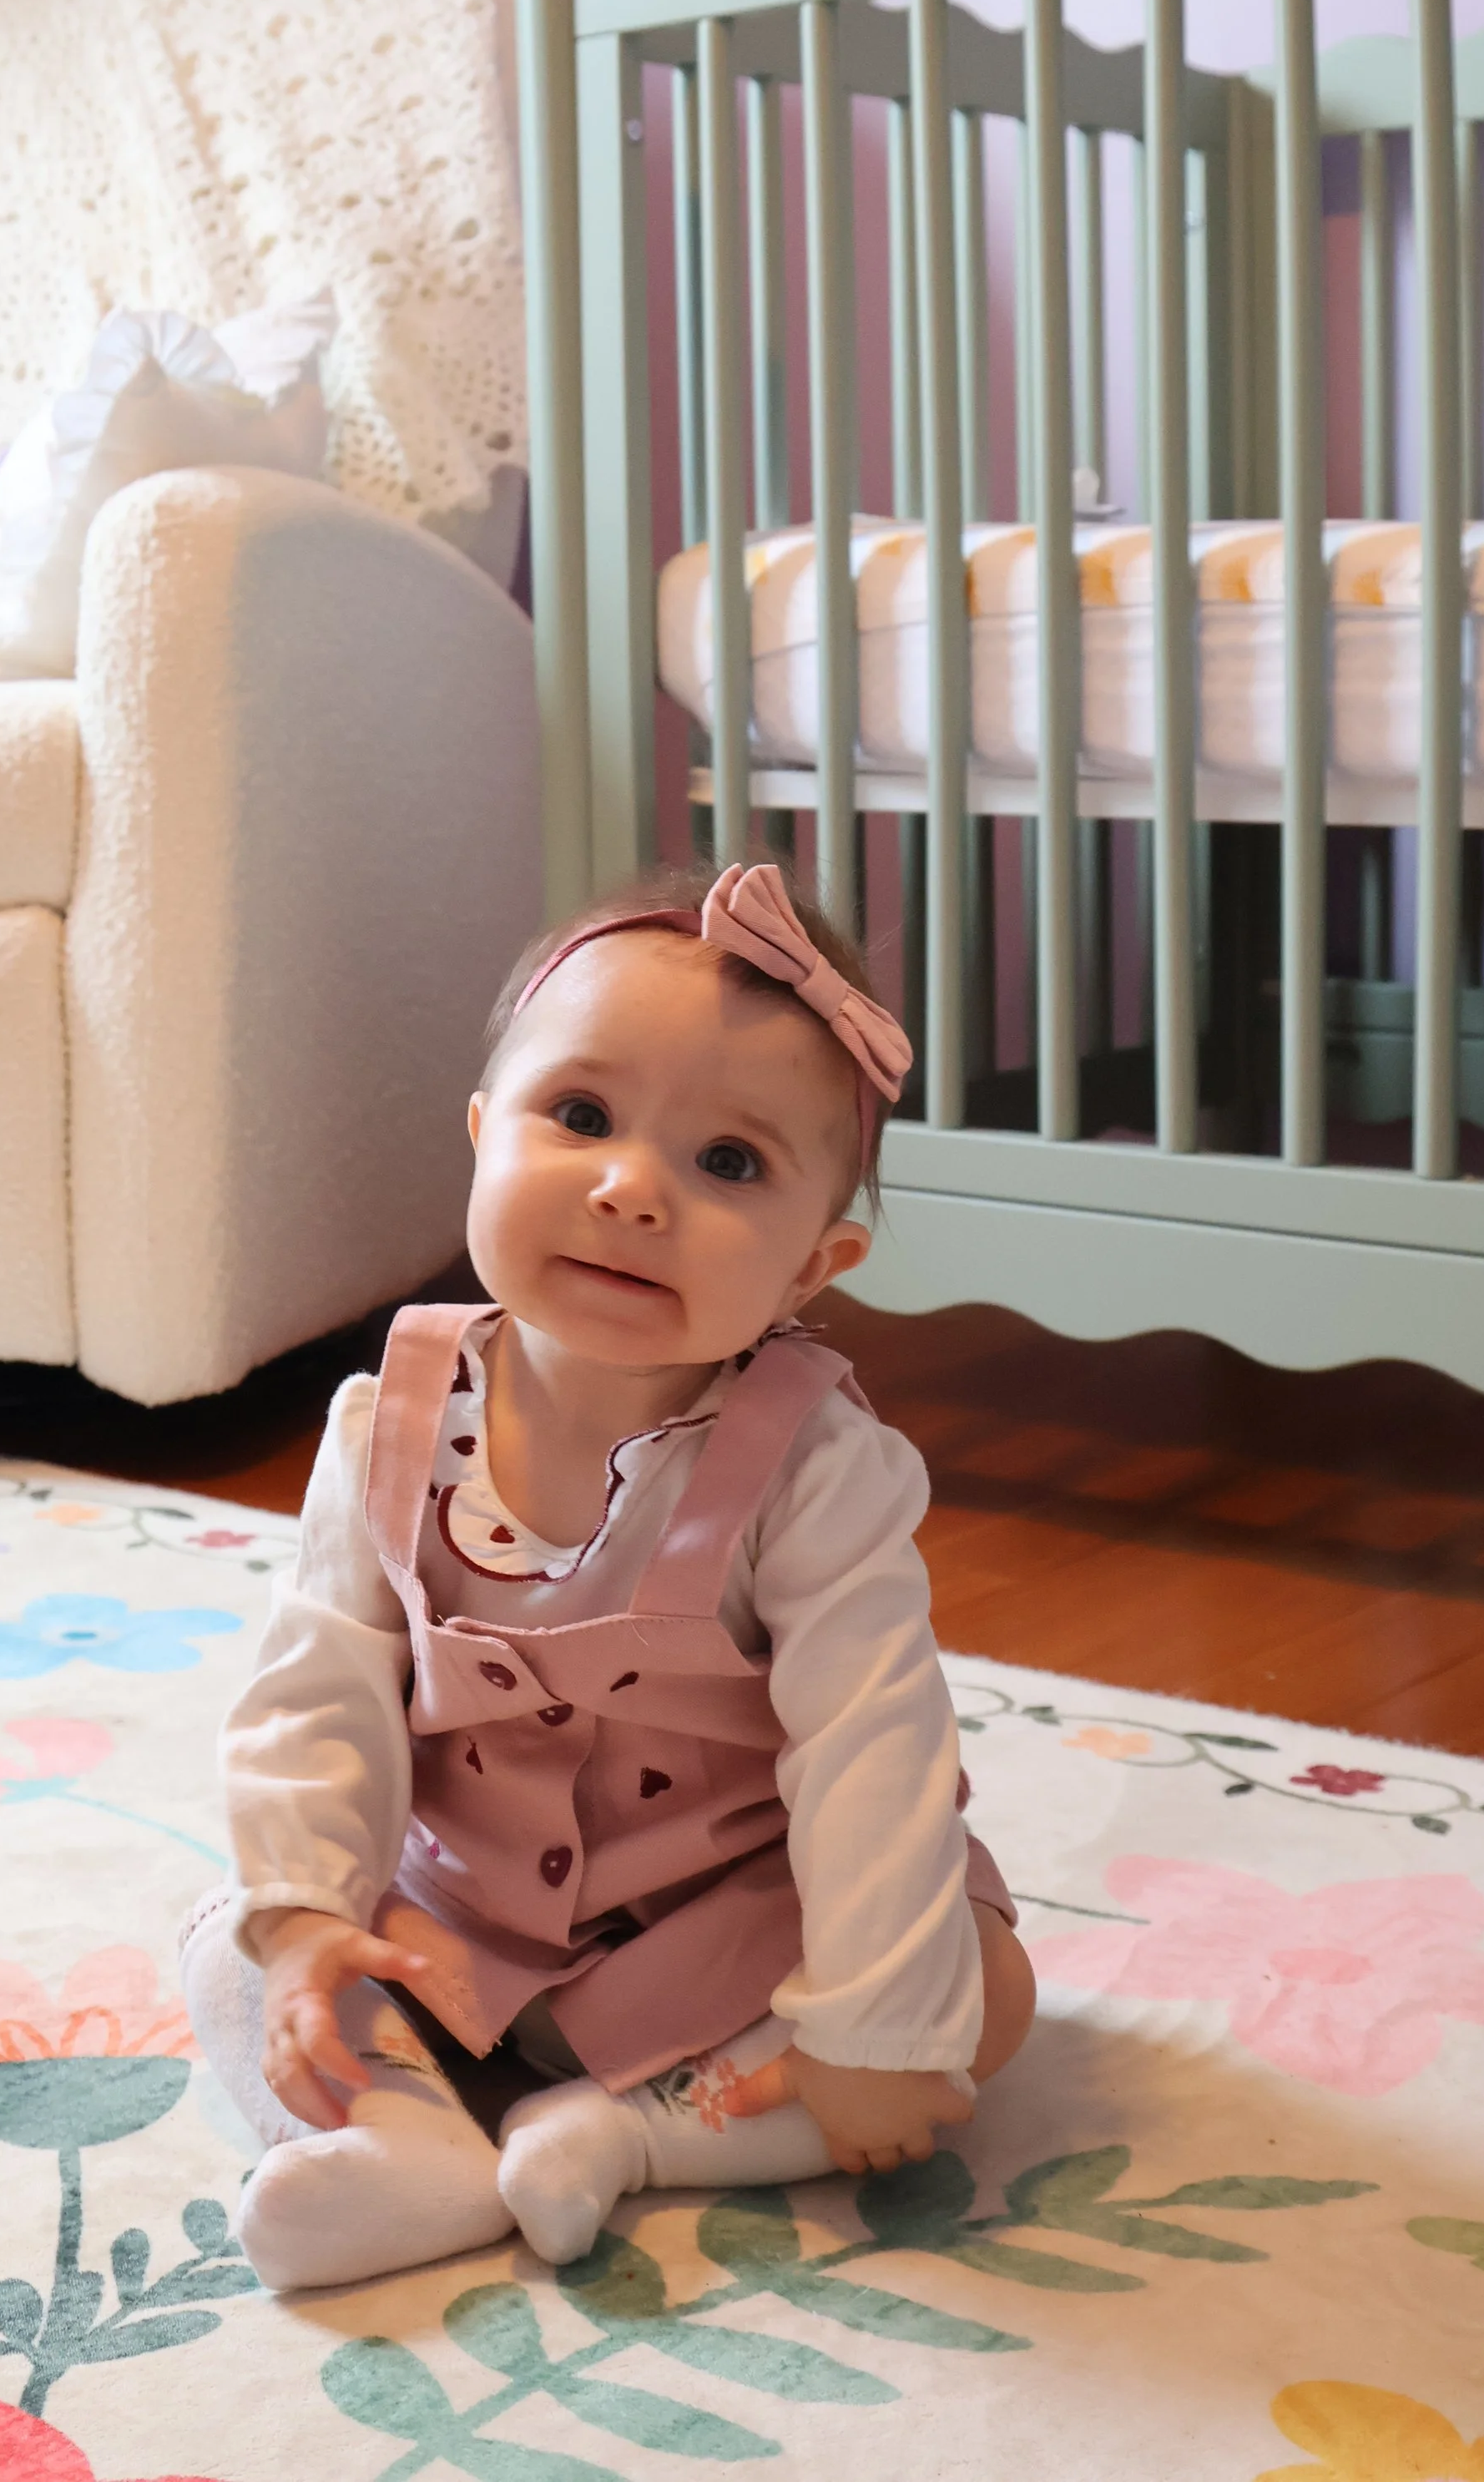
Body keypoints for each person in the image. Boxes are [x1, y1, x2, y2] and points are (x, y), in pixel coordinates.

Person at [181, 858, 1036, 2291]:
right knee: (231, 1935)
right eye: (579, 1117)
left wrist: (874, 2028)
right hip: (463, 1932)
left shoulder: (819, 1469)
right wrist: (312, 1916)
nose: (633, 1189)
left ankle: (639, 2135)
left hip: (725, 1928)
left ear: (815, 1264)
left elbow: (873, 1741)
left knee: (977, 1997)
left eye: (730, 1163)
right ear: (479, 1137)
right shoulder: (382, 1419)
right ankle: (411, 2145)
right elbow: (316, 1683)